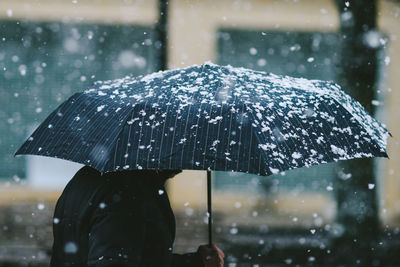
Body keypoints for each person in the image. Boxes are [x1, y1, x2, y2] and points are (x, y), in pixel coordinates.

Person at [50, 166, 224, 267]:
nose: (180, 170)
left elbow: (145, 258)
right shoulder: (126, 191)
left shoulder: (86, 178)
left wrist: (196, 263)